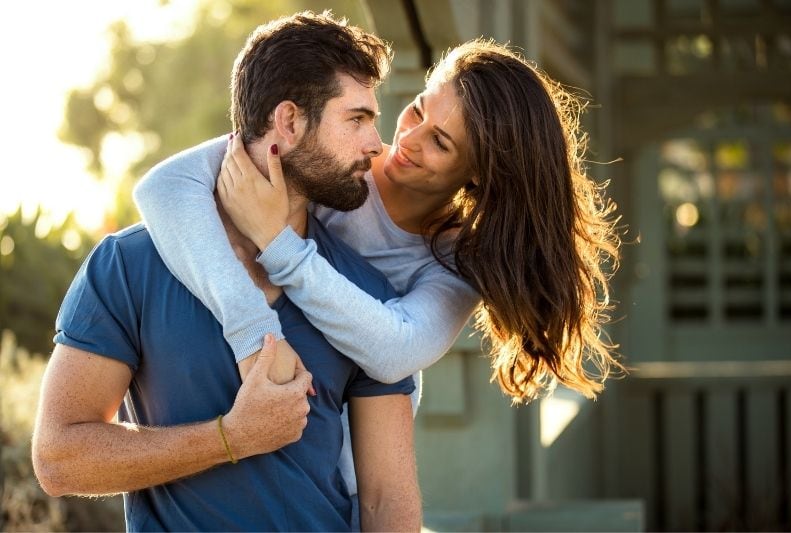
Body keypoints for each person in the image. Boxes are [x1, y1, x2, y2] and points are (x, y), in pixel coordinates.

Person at [135, 37, 623, 497]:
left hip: (340, 489)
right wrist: (251, 332)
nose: (408, 139)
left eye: (441, 143)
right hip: (239, 436)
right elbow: (163, 188)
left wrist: (277, 244)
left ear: (477, 172)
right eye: (416, 110)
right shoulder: (335, 159)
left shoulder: (455, 261)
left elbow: (395, 351)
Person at [32, 12, 420, 532]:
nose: (377, 144)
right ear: (288, 122)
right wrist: (230, 438)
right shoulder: (130, 266)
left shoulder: (366, 294)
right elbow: (58, 458)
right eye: (356, 119)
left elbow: (386, 500)